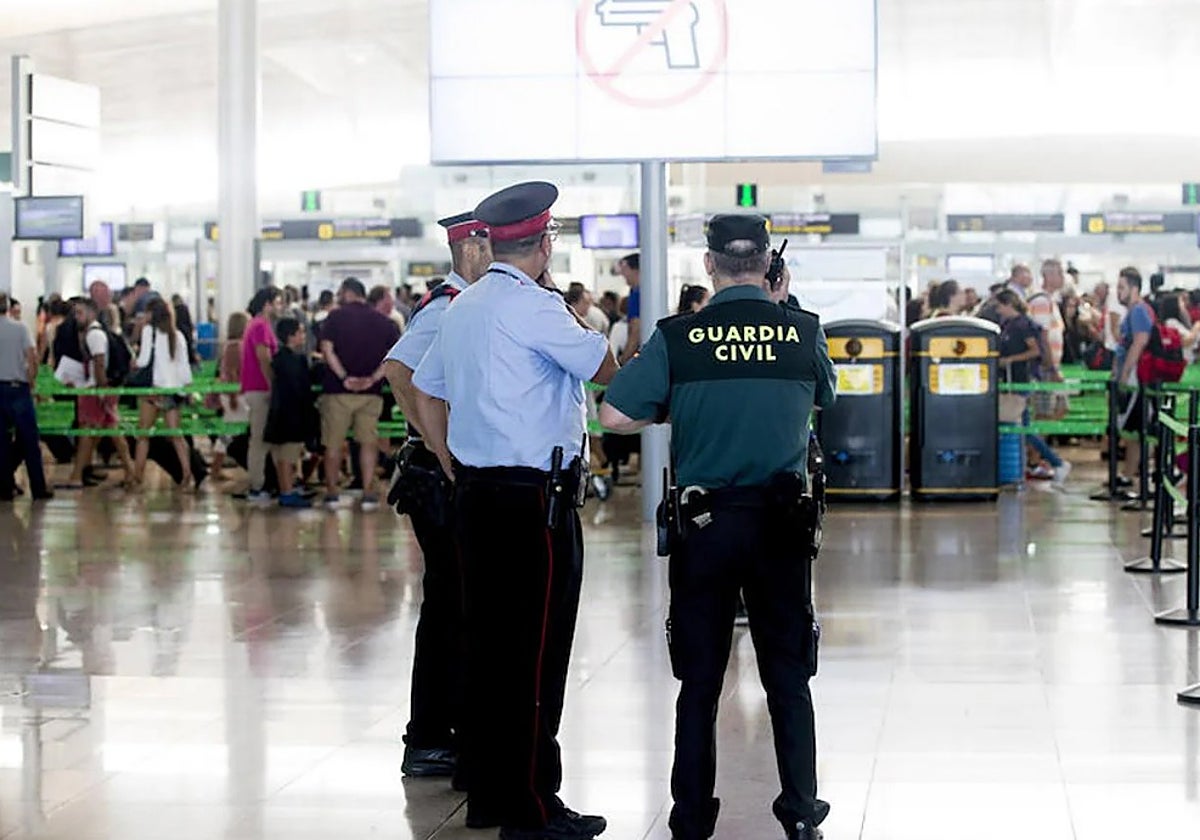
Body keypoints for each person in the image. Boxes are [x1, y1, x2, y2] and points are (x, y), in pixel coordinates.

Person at [598, 214, 835, 840]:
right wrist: (783, 310)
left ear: (709, 266)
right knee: (788, 678)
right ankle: (801, 812)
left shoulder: (678, 338)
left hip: (704, 527)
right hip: (782, 528)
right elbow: (824, 398)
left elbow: (615, 414)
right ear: (768, 265)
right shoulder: (803, 332)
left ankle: (692, 817)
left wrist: (676, 401)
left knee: (699, 683)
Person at [411, 182, 617, 840]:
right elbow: (604, 366)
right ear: (545, 243)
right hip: (534, 503)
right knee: (534, 657)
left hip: (475, 496)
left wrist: (450, 461)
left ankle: (493, 795)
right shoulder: (537, 308)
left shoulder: (464, 307)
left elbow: (424, 389)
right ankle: (532, 806)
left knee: (492, 651)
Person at [382, 211, 493, 779]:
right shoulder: (448, 305)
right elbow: (398, 370)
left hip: (443, 473)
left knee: (455, 606)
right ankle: (428, 735)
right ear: (471, 250)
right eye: (491, 246)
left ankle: (442, 729)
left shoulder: (465, 305)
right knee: (450, 607)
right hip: (436, 478)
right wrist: (443, 450)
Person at [318, 277, 401, 510]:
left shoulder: (334, 318)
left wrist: (345, 377)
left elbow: (327, 350)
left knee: (333, 444)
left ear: (346, 293)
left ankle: (333, 492)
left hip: (337, 392)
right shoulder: (383, 322)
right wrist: (372, 379)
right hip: (371, 393)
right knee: (368, 443)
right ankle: (367, 492)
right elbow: (393, 356)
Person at [993, 290, 1070, 485]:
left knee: (1023, 428)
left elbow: (1034, 350)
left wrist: (1010, 360)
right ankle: (1043, 464)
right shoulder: (1009, 325)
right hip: (1013, 381)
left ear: (1008, 304)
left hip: (1022, 381)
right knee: (1022, 427)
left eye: (1000, 306)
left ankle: (1056, 462)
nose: (998, 310)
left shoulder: (1023, 325)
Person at [65, 298, 136, 489]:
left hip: (95, 390)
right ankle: (131, 472)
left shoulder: (94, 335)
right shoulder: (100, 333)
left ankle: (76, 476)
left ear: (91, 313)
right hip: (104, 388)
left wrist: (100, 389)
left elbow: (99, 362)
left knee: (87, 432)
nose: (76, 317)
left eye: (80, 313)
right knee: (113, 430)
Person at [129, 298, 194, 489]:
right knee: (176, 435)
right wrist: (186, 390)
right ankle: (187, 473)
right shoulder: (178, 335)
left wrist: (134, 359)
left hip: (155, 390)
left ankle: (138, 477)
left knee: (143, 434)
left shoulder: (150, 332)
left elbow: (143, 361)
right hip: (174, 391)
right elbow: (185, 368)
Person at [0, 293, 52, 502]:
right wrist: (30, 381)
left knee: (1, 443)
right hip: (18, 388)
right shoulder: (20, 328)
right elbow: (32, 357)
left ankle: (4, 489)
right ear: (7, 306)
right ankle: (38, 488)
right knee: (30, 440)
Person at [264, 318, 316, 509]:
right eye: (300, 332)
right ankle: (286, 492)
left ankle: (286, 488)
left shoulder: (279, 359)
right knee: (288, 456)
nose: (303, 336)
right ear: (291, 336)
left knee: (282, 456)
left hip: (280, 414)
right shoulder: (295, 360)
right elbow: (301, 389)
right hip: (292, 416)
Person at [240, 287, 281, 502]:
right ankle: (256, 485)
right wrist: (271, 384)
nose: (280, 306)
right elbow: (263, 358)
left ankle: (266, 482)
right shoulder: (261, 326)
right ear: (267, 304)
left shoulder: (255, 325)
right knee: (259, 440)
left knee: (263, 439)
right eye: (278, 302)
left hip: (255, 388)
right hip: (261, 389)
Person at [1115, 268, 1154, 484]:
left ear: (1134, 288)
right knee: (1134, 429)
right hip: (1133, 375)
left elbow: (1140, 341)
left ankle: (1130, 475)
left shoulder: (1139, 311)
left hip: (1136, 377)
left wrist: (1125, 373)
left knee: (1135, 428)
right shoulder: (1134, 311)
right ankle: (1128, 474)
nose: (1118, 292)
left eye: (1122, 287)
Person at [210, 311, 249, 480]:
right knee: (231, 432)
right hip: (236, 394)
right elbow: (233, 373)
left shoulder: (229, 346)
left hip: (231, 393)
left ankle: (215, 469)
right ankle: (216, 469)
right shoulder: (237, 346)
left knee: (227, 432)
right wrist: (233, 396)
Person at [616, 252, 642, 363]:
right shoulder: (633, 291)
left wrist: (623, 360)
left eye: (624, 269)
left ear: (635, 270)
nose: (622, 273)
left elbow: (636, 329)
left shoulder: (639, 293)